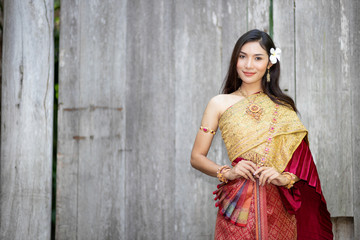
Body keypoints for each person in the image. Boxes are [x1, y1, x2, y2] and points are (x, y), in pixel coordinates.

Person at [190, 29, 333, 240]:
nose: (248, 65)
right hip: (237, 206)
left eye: (258, 58)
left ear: (269, 63)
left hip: (279, 206)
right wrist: (227, 172)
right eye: (242, 56)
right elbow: (196, 158)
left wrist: (282, 177)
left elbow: (303, 166)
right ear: (235, 60)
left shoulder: (283, 108)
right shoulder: (219, 103)